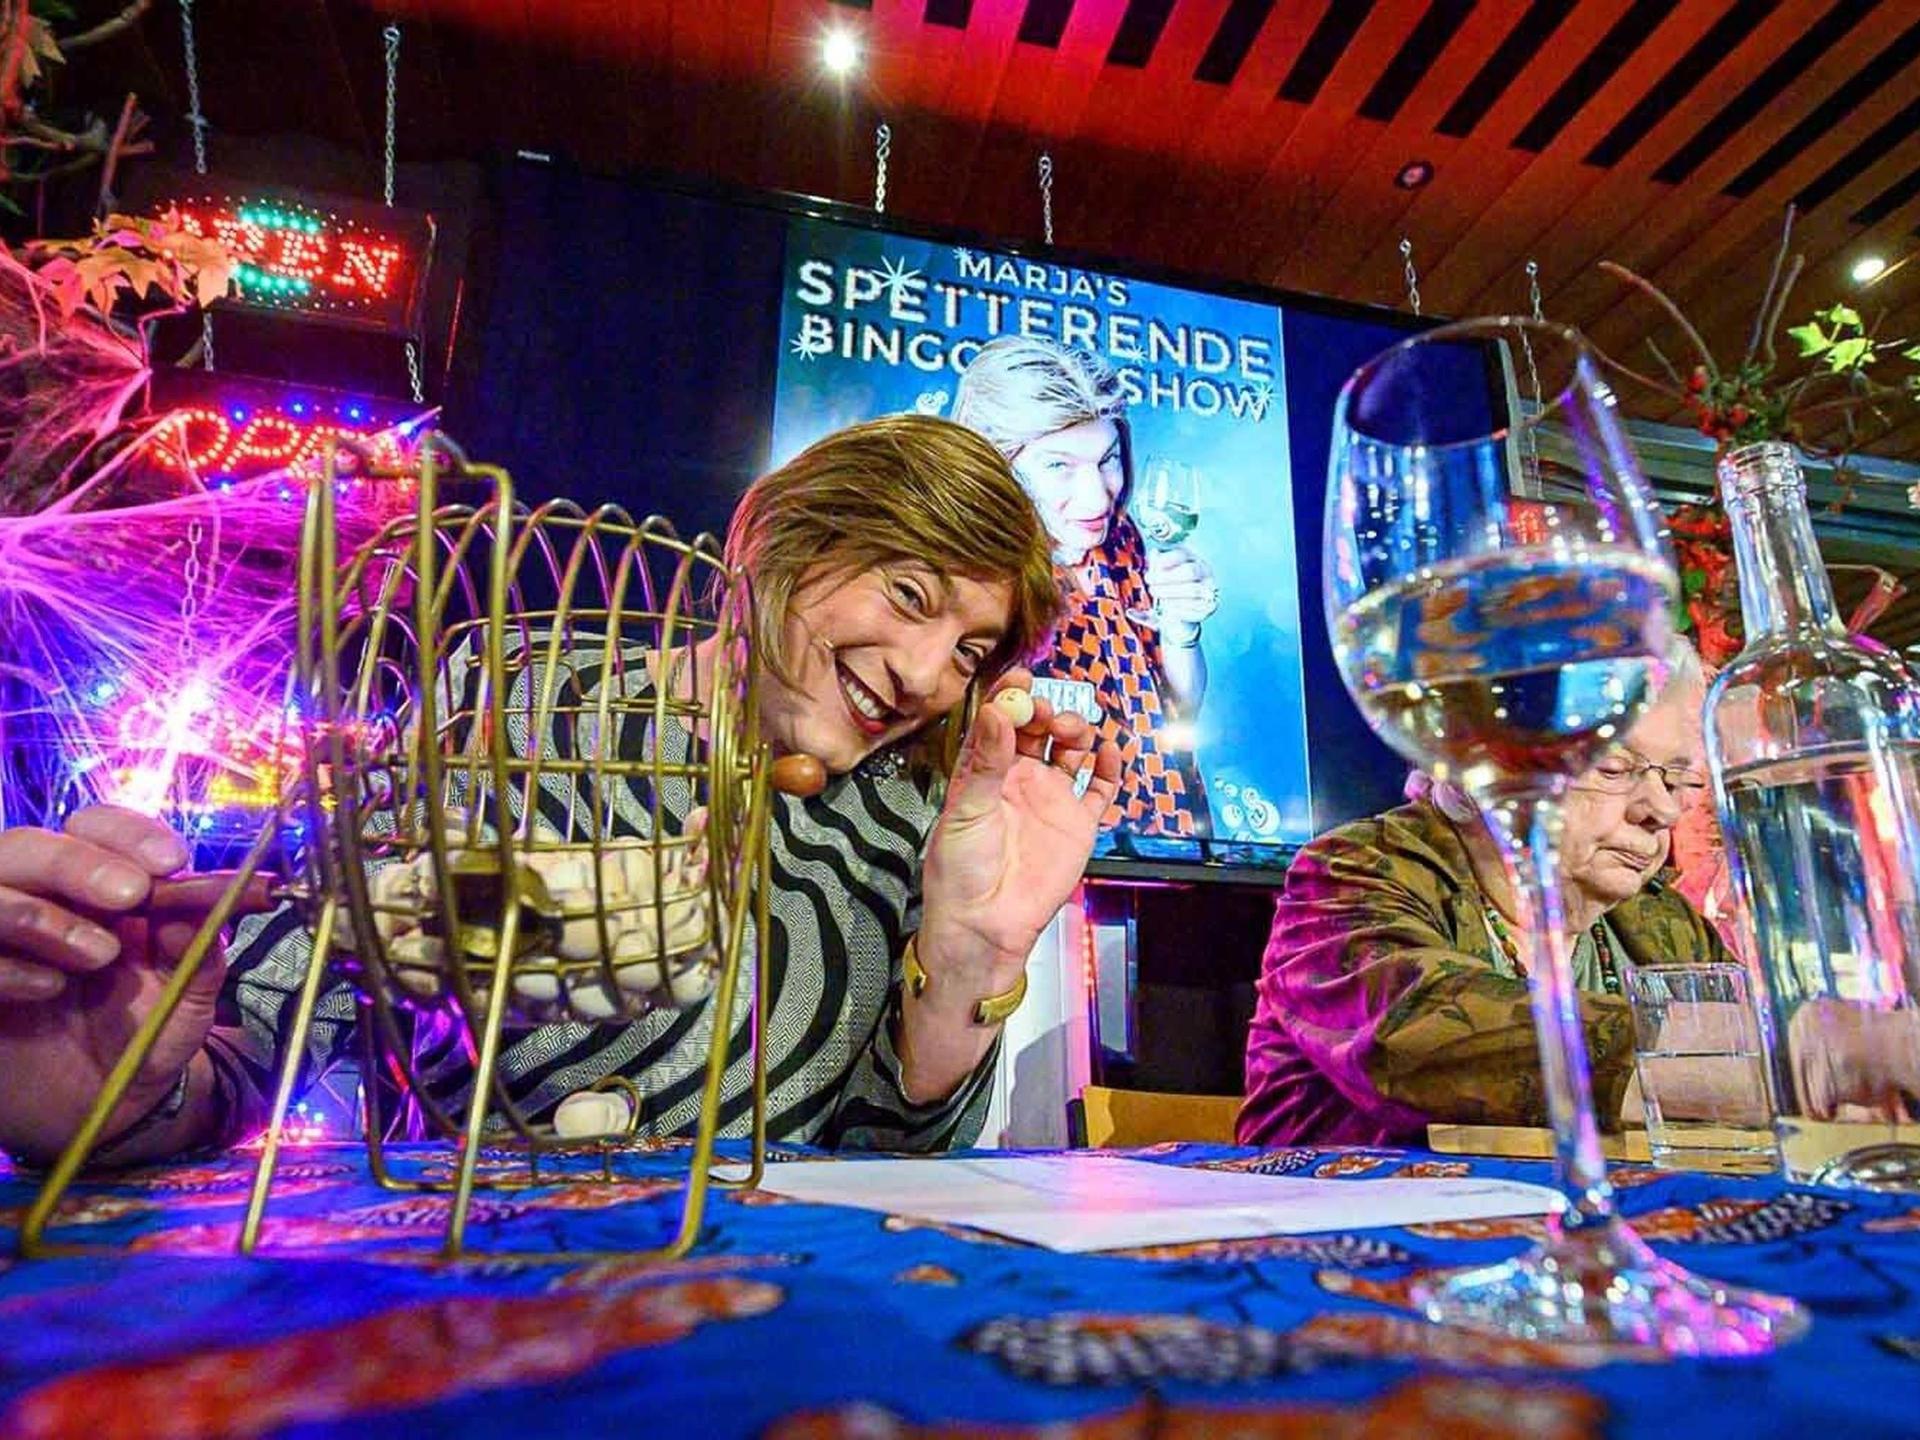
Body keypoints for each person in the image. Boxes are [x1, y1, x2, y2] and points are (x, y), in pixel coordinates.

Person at [0, 415, 1123, 1167]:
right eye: (910, 593)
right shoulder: (520, 698)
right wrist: (110, 1094)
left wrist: (973, 958)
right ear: (782, 539)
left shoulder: (919, 826)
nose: (930, 678)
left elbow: (896, 1186)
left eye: (973, 651)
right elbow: (272, 1019)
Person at [1239, 642, 1728, 1147]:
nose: (1661, 811)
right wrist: (1724, 1056)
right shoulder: (1351, 874)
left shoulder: (1664, 922)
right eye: (1614, 768)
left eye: (1678, 779)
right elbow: (1418, 1036)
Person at [951, 335, 1213, 841]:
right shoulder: (968, 577)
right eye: (1058, 466)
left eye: (1108, 459)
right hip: (1036, 861)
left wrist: (1182, 632)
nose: (1098, 497)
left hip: (1167, 840)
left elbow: (1178, 711)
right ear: (994, 466)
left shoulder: (1121, 540)